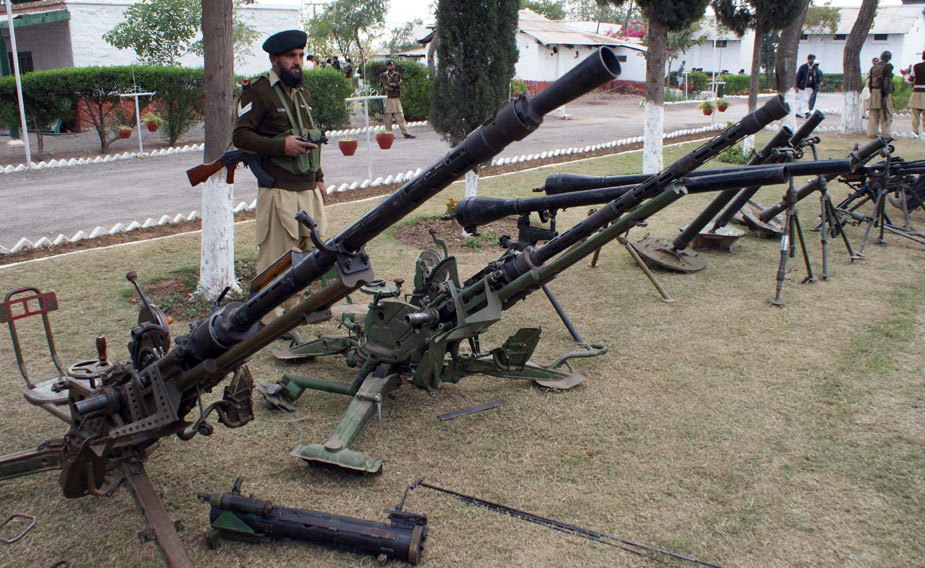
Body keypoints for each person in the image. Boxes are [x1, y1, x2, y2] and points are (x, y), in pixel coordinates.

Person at [232, 29, 327, 322]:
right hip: (279, 192)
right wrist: (281, 146)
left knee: (308, 257)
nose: (298, 61)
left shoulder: (302, 92)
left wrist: (319, 177)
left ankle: (291, 316)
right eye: (290, 56)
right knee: (277, 261)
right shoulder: (258, 91)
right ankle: (267, 322)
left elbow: (311, 138)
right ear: (274, 59)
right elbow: (241, 136)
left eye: (301, 55)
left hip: (308, 189)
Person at [379, 60, 415, 139]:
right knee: (388, 118)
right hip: (387, 98)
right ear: (387, 66)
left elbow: (400, 85)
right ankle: (389, 134)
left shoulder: (397, 75)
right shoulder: (384, 75)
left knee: (400, 117)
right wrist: (394, 87)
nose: (390, 67)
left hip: (396, 98)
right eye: (389, 66)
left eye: (391, 65)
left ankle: (406, 133)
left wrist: (395, 87)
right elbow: (385, 86)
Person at [867, 50, 895, 138]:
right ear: (889, 58)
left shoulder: (874, 67)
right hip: (883, 92)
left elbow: (870, 82)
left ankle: (872, 133)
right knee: (886, 114)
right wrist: (885, 94)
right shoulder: (888, 67)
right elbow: (886, 81)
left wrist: (872, 92)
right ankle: (886, 134)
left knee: (874, 114)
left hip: (874, 91)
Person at [903, 51, 925, 136]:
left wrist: (905, 75)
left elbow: (910, 79)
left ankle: (915, 132)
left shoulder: (916, 66)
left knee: (915, 114)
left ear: (922, 57)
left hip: (917, 93)